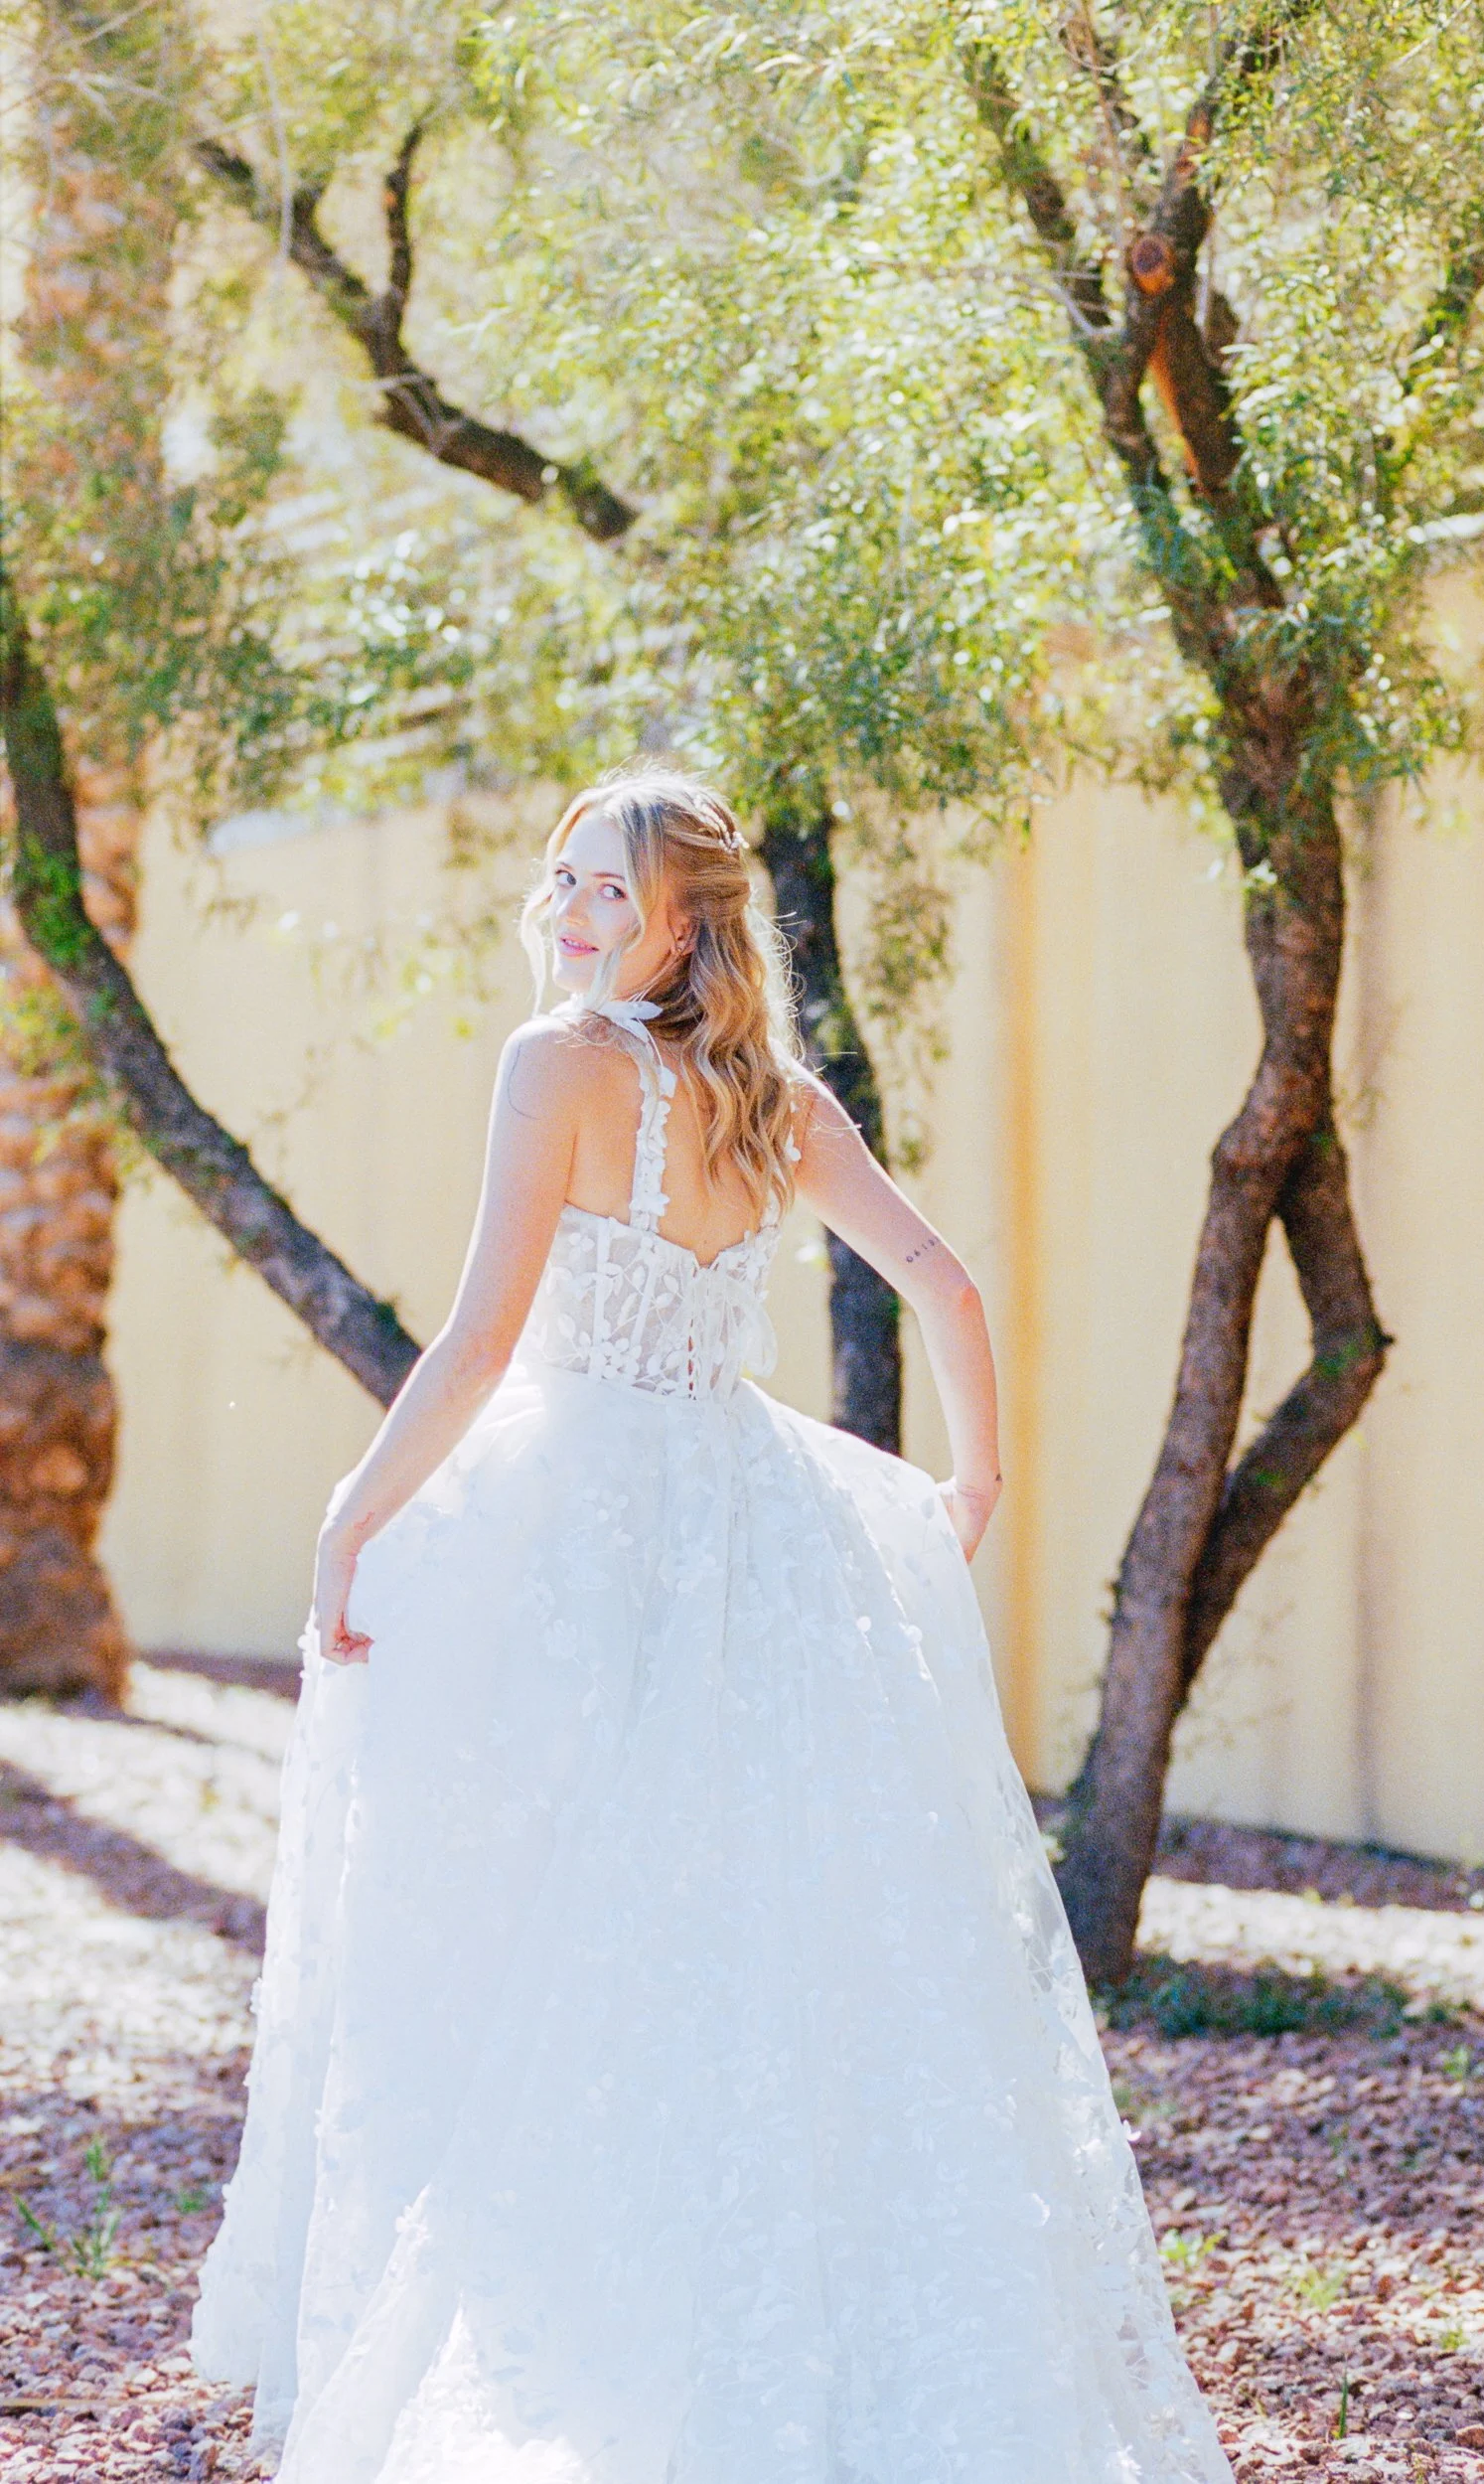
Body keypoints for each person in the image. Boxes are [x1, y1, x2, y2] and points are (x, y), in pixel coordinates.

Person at [190, 765, 1231, 2484]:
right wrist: (965, 1493)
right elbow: (949, 1289)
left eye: (607, 892)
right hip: (755, 1528)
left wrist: (351, 1516)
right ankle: (722, 2336)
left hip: (567, 1526)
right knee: (735, 1944)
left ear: (684, 922)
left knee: (524, 1930)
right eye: (564, 883)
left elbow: (473, 1342)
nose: (572, 916)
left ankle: (567, 2352)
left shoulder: (559, 1066)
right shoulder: (774, 1100)